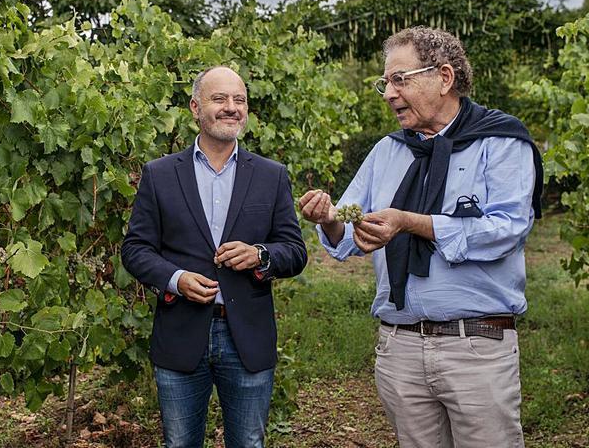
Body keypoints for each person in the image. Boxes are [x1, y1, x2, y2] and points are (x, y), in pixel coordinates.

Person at [299, 26, 543, 447]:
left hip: (476, 347)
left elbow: (508, 229)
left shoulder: (500, 142)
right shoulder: (387, 151)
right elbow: (344, 235)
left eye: (400, 79)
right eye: (385, 82)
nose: (390, 93)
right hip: (400, 349)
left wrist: (412, 222)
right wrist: (326, 218)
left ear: (444, 77)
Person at [121, 66, 307, 447]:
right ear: (195, 107)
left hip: (247, 337)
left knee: (248, 444)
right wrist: (176, 278)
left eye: (239, 100)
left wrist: (260, 254)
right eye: (219, 99)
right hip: (181, 334)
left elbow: (295, 251)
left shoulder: (271, 175)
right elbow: (135, 250)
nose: (231, 108)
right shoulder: (159, 174)